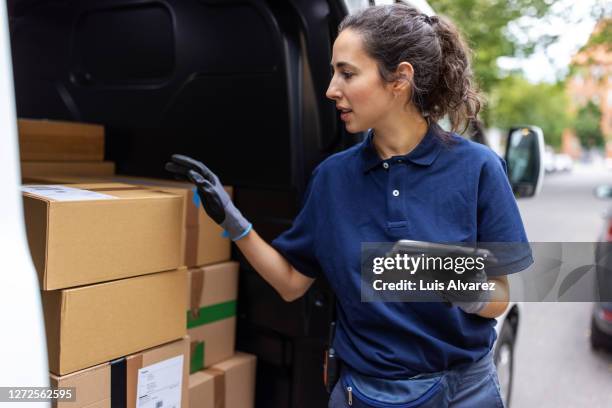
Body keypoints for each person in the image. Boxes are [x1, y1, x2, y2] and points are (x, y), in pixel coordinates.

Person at [166, 4, 533, 407]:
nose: (330, 89)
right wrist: (235, 224)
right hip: (366, 394)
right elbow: (292, 283)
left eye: (347, 73)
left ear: (400, 79)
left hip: (465, 392)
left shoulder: (477, 167)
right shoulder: (332, 178)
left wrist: (425, 272)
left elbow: (499, 297)